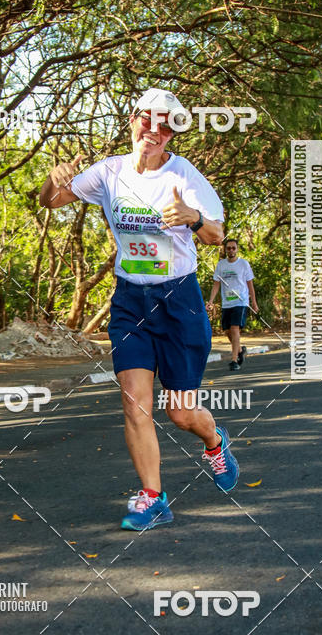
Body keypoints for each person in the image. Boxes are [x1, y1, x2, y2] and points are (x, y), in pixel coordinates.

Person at [39, 87, 239, 531]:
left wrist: (193, 218)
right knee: (135, 404)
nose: (155, 131)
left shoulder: (184, 175)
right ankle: (153, 497)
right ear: (132, 120)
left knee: (180, 413)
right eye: (148, 120)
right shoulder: (108, 172)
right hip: (130, 300)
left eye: (166, 126)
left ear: (172, 135)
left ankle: (214, 440)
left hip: (179, 300)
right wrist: (53, 179)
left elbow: (216, 234)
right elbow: (50, 201)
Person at [206, 238, 258, 371]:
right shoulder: (221, 265)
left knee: (235, 329)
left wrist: (254, 302)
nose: (231, 250)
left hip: (241, 301)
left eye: (233, 248)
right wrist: (211, 301)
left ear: (237, 249)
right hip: (227, 303)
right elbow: (216, 284)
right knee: (227, 331)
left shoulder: (243, 264)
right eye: (228, 248)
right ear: (225, 250)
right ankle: (240, 350)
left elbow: (250, 284)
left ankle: (234, 360)